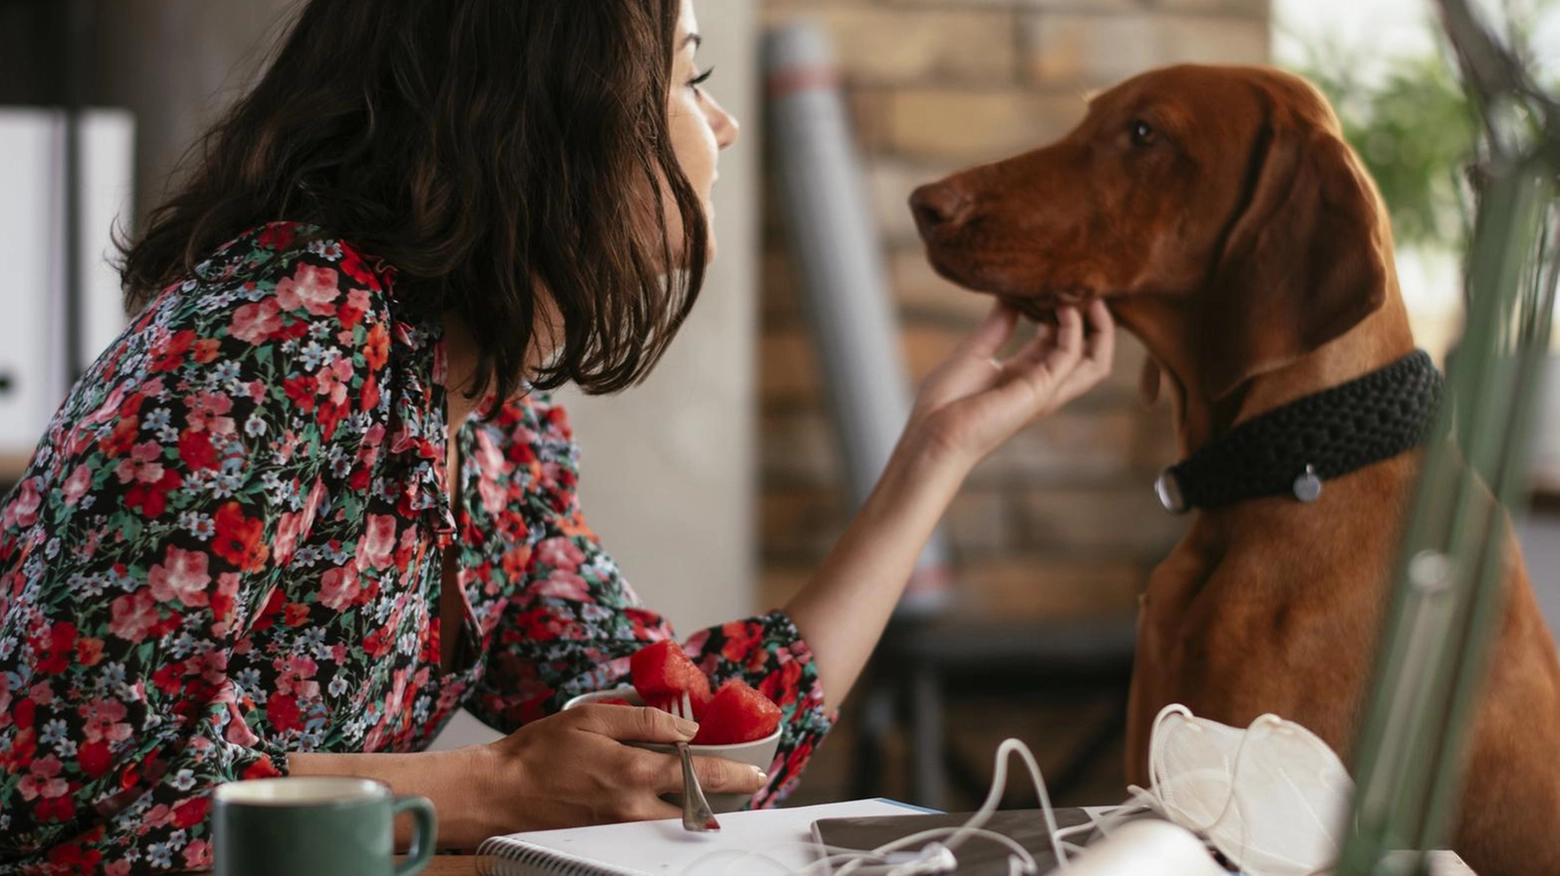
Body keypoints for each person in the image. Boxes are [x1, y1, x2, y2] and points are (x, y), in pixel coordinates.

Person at [0, 0, 1115, 871]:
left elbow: (693, 753)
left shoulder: (497, 425)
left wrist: (936, 452)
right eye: (689, 75)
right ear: (553, 111)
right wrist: (491, 786)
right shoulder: (289, 327)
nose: (719, 123)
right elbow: (54, 794)